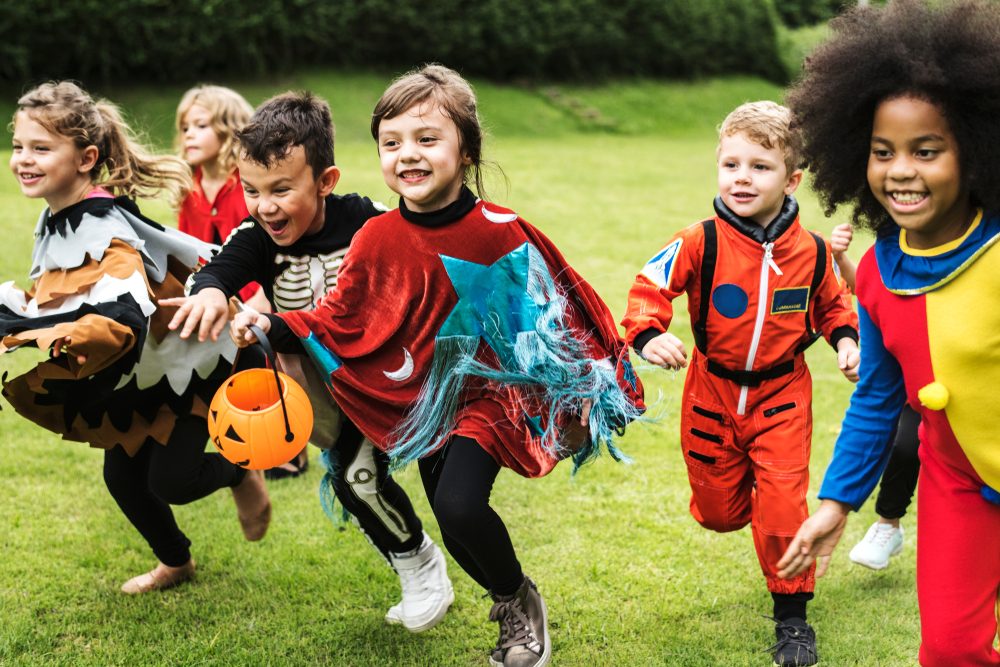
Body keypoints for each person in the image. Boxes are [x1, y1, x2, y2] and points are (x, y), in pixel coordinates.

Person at [230, 64, 645, 667]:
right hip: (428, 402)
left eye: (427, 139)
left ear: (466, 149)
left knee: (458, 505)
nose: (407, 156)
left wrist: (578, 395)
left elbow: (556, 317)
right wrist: (273, 324)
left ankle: (517, 609)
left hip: (495, 398)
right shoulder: (377, 237)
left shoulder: (500, 233)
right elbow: (342, 316)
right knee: (454, 525)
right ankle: (512, 594)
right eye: (391, 143)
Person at [163, 90, 454, 633]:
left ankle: (439, 563)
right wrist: (207, 292)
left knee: (405, 479)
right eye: (251, 191)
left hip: (391, 377)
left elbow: (418, 266)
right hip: (324, 387)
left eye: (281, 189)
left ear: (325, 181)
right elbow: (220, 268)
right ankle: (417, 562)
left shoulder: (365, 219)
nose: (265, 206)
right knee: (353, 476)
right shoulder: (257, 237)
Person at [775, 2, 1000, 664]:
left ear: (976, 149)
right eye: (883, 152)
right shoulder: (875, 270)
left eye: (926, 150)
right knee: (951, 650)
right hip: (958, 479)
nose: (902, 170)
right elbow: (877, 395)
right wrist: (837, 501)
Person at [0, 81, 271, 595]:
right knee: (122, 479)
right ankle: (176, 563)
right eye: (18, 147)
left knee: (172, 480)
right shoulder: (57, 215)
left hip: (189, 361)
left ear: (86, 158)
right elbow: (59, 292)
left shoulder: (101, 224)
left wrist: (64, 334)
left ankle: (240, 476)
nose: (23, 160)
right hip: (141, 370)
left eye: (40, 148)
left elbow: (124, 308)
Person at [622, 101, 860, 666]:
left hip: (782, 395)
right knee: (720, 513)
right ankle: (755, 500)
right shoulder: (698, 240)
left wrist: (847, 341)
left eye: (759, 166)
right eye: (731, 165)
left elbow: (834, 305)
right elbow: (646, 289)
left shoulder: (813, 251)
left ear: (791, 178)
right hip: (711, 391)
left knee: (782, 506)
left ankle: (792, 617)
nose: (742, 178)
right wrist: (647, 334)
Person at [174, 85, 305, 480]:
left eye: (200, 125)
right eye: (184, 127)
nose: (188, 135)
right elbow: (187, 250)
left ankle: (291, 447)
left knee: (274, 365)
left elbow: (267, 249)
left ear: (231, 130)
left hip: (259, 296)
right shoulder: (191, 186)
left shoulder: (246, 185)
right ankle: (248, 441)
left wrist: (261, 302)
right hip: (216, 292)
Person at [830, 223, 921, 571]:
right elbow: (871, 291)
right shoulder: (889, 246)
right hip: (915, 384)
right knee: (906, 443)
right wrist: (840, 257)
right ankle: (888, 524)